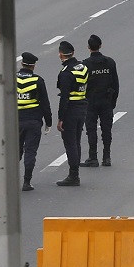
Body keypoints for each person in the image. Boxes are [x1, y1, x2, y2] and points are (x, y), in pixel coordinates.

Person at [15, 52, 52, 192]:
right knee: (30, 151)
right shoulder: (38, 80)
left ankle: (10, 180)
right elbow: (45, 103)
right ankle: (27, 182)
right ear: (33, 66)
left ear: (21, 64)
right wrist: (48, 122)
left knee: (15, 152)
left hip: (15, 122)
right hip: (33, 121)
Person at [81, 34, 119, 168]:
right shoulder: (109, 62)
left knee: (91, 129)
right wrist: (113, 102)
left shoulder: (85, 65)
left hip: (90, 102)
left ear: (88, 47)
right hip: (106, 101)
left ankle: (93, 157)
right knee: (106, 129)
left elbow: (82, 85)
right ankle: (107, 157)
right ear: (100, 45)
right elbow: (115, 84)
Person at [54, 40, 88, 187]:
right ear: (72, 53)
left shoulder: (66, 73)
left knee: (70, 143)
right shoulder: (82, 67)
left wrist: (61, 118)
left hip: (71, 110)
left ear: (61, 55)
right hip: (83, 107)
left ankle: (73, 175)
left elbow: (64, 98)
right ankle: (75, 173)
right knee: (77, 141)